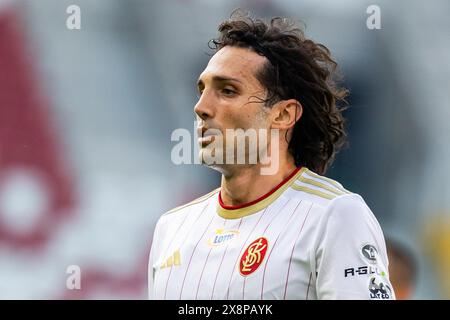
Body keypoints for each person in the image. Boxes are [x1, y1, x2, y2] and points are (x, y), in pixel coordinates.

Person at [148, 11, 395, 300]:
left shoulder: (336, 216)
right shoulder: (172, 228)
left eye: (227, 91)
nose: (201, 107)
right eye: (202, 90)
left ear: (283, 114)